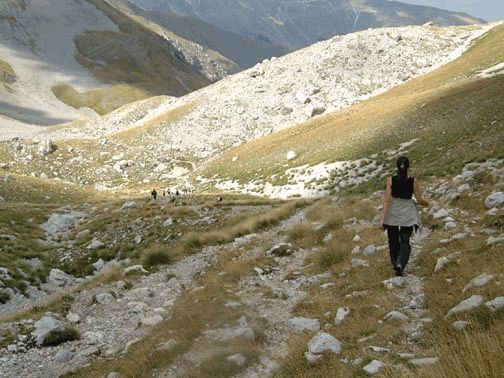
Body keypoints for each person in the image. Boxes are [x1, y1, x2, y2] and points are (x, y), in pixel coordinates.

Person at [380, 156, 429, 276]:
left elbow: (387, 199)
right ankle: (400, 263)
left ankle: (395, 262)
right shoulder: (413, 181)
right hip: (407, 212)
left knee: (393, 239)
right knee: (405, 240)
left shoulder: (390, 180)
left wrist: (382, 219)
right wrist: (426, 203)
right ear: (408, 167)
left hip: (393, 211)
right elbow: (418, 199)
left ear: (397, 166)